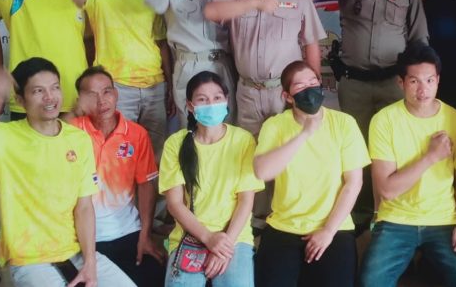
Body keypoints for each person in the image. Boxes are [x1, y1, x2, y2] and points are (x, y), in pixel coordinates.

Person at [0, 58, 135, 287]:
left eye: (55, 88)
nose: (49, 97)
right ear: (20, 100)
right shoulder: (4, 137)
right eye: (38, 91)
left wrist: (90, 262)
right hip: (29, 259)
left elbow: (84, 207)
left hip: (76, 252)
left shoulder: (78, 140)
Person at [320, 0, 429, 227]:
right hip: (354, 82)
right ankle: (360, 212)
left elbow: (418, 36)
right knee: (356, 150)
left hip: (393, 83)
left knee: (394, 148)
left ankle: (392, 211)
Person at [359, 43, 456, 287]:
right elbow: (387, 189)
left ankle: (427, 262)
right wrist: (430, 157)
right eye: (414, 81)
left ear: (438, 80)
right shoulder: (384, 120)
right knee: (370, 282)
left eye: (429, 80)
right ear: (401, 82)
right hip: (396, 219)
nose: (423, 90)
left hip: (444, 220)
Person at [252, 61, 370, 287]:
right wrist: (304, 134)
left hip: (334, 227)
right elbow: (262, 172)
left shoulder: (344, 123)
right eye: (300, 86)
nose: (309, 89)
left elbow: (354, 183)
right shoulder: (275, 125)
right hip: (284, 225)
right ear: (287, 96)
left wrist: (328, 231)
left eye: (313, 83)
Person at [204, 0, 325, 135]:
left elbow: (311, 42)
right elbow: (211, 12)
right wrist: (255, 3)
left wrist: (314, 87)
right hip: (248, 92)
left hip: (287, 92)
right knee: (250, 148)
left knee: (291, 144)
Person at [71, 0, 169, 155]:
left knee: (154, 155)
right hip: (116, 87)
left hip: (155, 86)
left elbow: (161, 41)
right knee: (117, 154)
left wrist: (170, 84)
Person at [158, 71, 262, 287]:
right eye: (202, 99)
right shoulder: (175, 144)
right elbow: (175, 204)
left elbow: (245, 201)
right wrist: (208, 238)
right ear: (190, 106)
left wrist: (224, 246)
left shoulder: (243, 140)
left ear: (226, 100)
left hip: (234, 236)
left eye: (217, 97)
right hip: (190, 235)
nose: (211, 104)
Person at [68, 66, 165, 286]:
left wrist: (145, 235)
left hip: (127, 230)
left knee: (155, 278)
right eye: (92, 95)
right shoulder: (71, 131)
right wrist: (73, 112)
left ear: (116, 93)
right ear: (81, 100)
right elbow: (46, 131)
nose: (101, 101)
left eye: (107, 91)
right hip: (82, 236)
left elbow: (146, 186)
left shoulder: (136, 134)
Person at [144, 0, 236, 128]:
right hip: (189, 66)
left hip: (222, 65)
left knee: (227, 128)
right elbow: (154, 3)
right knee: (193, 130)